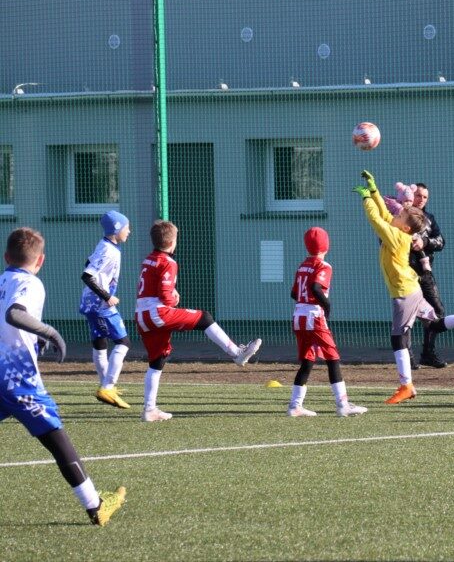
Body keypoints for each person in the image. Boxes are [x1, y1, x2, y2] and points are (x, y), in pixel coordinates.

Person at [0, 227, 126, 525]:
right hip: (17, 379)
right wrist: (50, 332)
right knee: (55, 436)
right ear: (41, 260)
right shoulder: (30, 283)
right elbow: (14, 314)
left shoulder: (2, 280)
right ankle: (95, 505)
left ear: (5, 257)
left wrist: (34, 338)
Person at [354, 170, 454, 404]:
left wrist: (365, 198)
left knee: (398, 338)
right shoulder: (399, 230)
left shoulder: (396, 236)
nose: (397, 213)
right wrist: (373, 190)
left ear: (405, 227)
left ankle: (406, 386)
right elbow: (384, 213)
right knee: (433, 324)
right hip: (412, 288)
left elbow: (375, 218)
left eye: (401, 214)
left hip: (403, 293)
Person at [135, 220, 262, 422]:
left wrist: (169, 294)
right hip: (157, 313)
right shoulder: (169, 262)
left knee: (157, 360)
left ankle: (149, 409)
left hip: (141, 315)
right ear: (172, 242)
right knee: (204, 318)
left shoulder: (148, 259)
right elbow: (166, 296)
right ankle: (237, 353)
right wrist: (173, 298)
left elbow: (152, 287)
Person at [287, 227, 367, 417]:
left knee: (308, 360)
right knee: (332, 358)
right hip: (314, 316)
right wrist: (327, 305)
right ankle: (343, 404)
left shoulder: (302, 266)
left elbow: (294, 293)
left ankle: (295, 406)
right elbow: (316, 287)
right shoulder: (324, 266)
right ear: (326, 245)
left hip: (298, 316)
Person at [80, 210, 132, 410]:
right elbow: (87, 275)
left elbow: (89, 262)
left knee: (100, 343)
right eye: (126, 227)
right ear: (117, 229)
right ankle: (108, 387)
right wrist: (107, 296)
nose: (129, 231)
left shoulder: (105, 245)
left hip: (91, 304)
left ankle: (105, 386)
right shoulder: (108, 250)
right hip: (100, 305)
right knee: (123, 342)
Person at [408, 182, 450, 369]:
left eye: (425, 197)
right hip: (406, 274)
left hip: (425, 273)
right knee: (407, 315)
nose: (421, 200)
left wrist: (424, 242)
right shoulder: (401, 216)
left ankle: (428, 353)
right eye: (418, 195)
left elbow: (441, 242)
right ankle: (407, 356)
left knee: (437, 311)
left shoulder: (429, 219)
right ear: (411, 195)